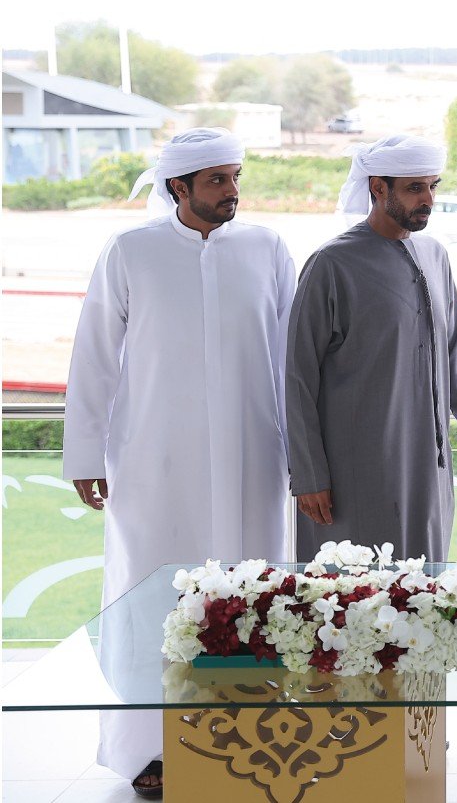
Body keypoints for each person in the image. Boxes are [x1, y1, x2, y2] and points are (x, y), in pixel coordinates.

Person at [65, 127, 294, 799]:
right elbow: (94, 357)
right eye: (218, 179)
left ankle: (251, 737)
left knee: (251, 599)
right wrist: (84, 452)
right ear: (178, 186)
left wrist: (303, 455)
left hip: (253, 460)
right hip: (153, 465)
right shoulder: (130, 251)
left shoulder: (267, 248)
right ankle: (150, 748)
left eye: (236, 176)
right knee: (152, 603)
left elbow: (291, 357)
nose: (232, 190)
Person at [286, 134, 457, 562]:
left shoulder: (434, 255)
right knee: (352, 585)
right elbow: (298, 378)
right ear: (377, 188)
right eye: (414, 188)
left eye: (433, 186)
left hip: (428, 468)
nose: (428, 199)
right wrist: (309, 475)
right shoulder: (332, 264)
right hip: (353, 469)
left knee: (424, 585)